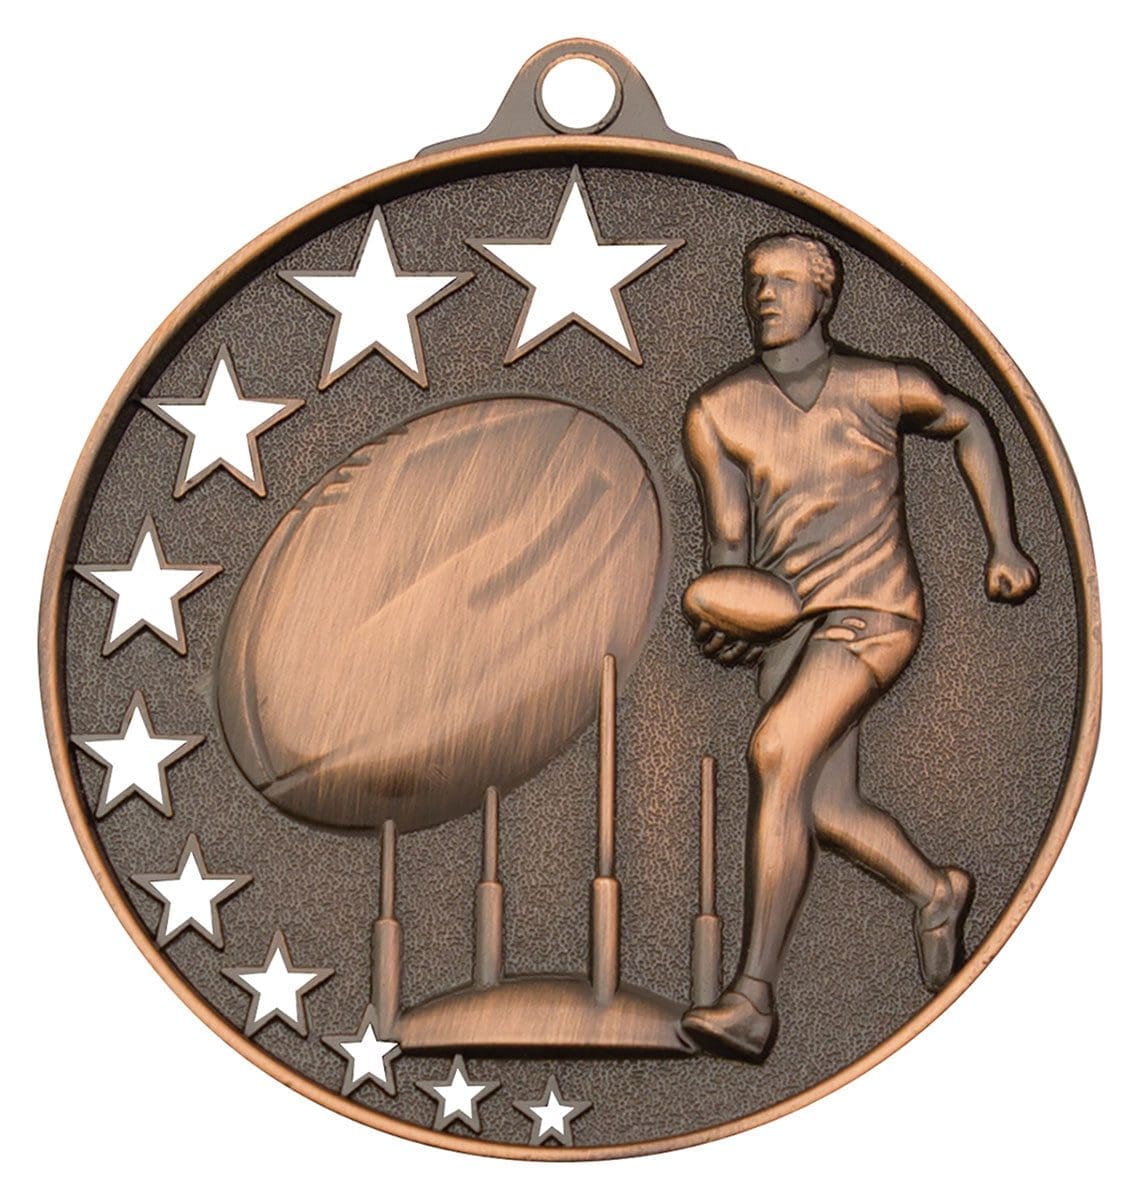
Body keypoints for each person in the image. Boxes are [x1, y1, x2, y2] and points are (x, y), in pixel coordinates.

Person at [680, 233, 1038, 1062]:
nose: (766, 296)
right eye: (756, 282)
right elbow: (729, 546)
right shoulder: (717, 410)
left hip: (874, 613)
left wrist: (1005, 546)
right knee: (824, 808)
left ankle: (752, 999)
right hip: (790, 627)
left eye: (784, 281)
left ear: (824, 295)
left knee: (775, 751)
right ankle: (934, 889)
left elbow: (970, 422)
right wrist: (724, 615)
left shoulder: (882, 384)